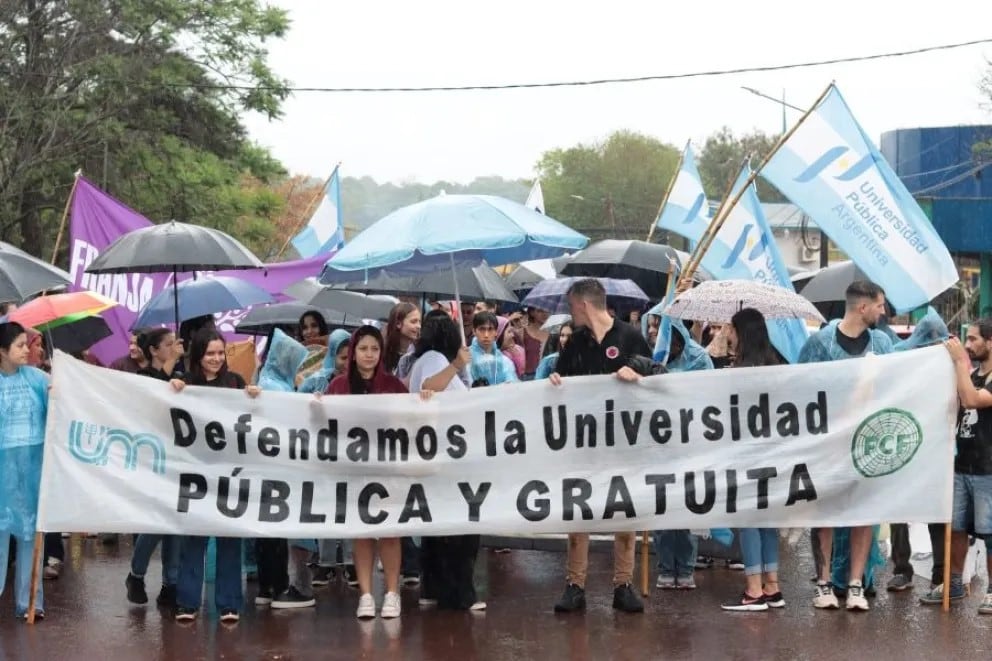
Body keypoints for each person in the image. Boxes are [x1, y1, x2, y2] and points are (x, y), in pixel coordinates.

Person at [549, 278, 653, 614]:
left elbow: (654, 372)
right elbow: (559, 376)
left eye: (571, 305)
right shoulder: (576, 341)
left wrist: (635, 369)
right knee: (579, 510)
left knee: (626, 510)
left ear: (583, 304)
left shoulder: (630, 336)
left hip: (624, 439)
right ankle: (575, 585)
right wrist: (554, 382)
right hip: (584, 441)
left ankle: (623, 584)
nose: (570, 311)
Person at [799, 280, 893, 612]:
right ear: (862, 307)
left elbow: (901, 380)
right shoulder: (820, 344)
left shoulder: (882, 343)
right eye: (880, 305)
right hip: (828, 445)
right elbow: (801, 390)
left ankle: (855, 584)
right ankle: (822, 582)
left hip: (869, 444)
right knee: (823, 512)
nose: (884, 312)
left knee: (864, 512)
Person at [169, 330, 261, 623]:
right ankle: (187, 602)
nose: (216, 359)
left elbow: (253, 418)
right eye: (210, 353)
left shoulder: (235, 383)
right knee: (193, 540)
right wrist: (172, 387)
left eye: (220, 353)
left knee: (229, 540)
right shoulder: (187, 384)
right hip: (195, 473)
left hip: (228, 473)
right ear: (198, 355)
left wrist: (254, 397)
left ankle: (229, 603)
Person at [325, 326, 409, 619]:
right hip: (353, 471)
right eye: (363, 349)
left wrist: (422, 398)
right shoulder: (337, 386)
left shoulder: (395, 385)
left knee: (389, 531)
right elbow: (323, 423)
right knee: (361, 532)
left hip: (388, 470)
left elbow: (412, 421)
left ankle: (392, 593)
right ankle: (365, 595)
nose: (369, 355)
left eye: (375, 349)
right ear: (354, 352)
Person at [406, 311, 483, 610]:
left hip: (435, 452)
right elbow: (432, 386)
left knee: (438, 527)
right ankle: (460, 591)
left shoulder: (424, 358)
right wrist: (456, 366)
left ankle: (434, 587)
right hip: (449, 454)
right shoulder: (437, 359)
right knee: (461, 529)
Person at [920, 323, 992, 614]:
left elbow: (973, 399)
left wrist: (960, 361)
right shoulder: (972, 374)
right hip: (962, 466)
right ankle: (954, 583)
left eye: (973, 339)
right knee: (958, 528)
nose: (968, 343)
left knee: (990, 534)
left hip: (988, 469)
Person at [719, 309, 787, 611]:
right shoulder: (778, 366)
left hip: (745, 454)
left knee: (747, 519)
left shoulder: (738, 374)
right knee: (767, 521)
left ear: (740, 331)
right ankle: (772, 586)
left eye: (729, 329)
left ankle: (753, 590)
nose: (726, 334)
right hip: (775, 454)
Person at [888, 308, 950, 593]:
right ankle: (902, 568)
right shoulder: (902, 362)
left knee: (937, 514)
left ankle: (941, 574)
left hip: (937, 449)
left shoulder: (952, 364)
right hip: (903, 447)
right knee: (898, 510)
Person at [125, 327, 185, 608]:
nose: (174, 348)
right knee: (156, 522)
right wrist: (171, 365)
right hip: (153, 459)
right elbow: (153, 401)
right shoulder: (144, 378)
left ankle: (170, 583)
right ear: (154, 350)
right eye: (168, 345)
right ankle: (136, 574)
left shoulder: (179, 377)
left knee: (174, 522)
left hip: (178, 457)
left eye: (175, 344)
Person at [0, 321, 48, 620]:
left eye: (25, 344)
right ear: (1, 352)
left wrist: (62, 385)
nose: (25, 351)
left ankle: (30, 602)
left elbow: (63, 401)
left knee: (31, 537)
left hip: (32, 471)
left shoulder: (38, 379)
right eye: (19, 345)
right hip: (2, 473)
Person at [468, 312, 519, 386]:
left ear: (496, 332)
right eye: (482, 329)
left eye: (490, 329)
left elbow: (512, 385)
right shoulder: (466, 359)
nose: (486, 335)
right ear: (474, 331)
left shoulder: (505, 361)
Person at [383, 302, 421, 376]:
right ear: (398, 324)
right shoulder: (382, 352)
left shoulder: (418, 353)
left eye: (419, 322)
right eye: (413, 321)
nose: (419, 326)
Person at [521, 307, 550, 379]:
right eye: (540, 311)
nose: (544, 314)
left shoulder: (554, 333)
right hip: (528, 377)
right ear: (532, 313)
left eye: (547, 310)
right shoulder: (522, 332)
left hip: (548, 376)